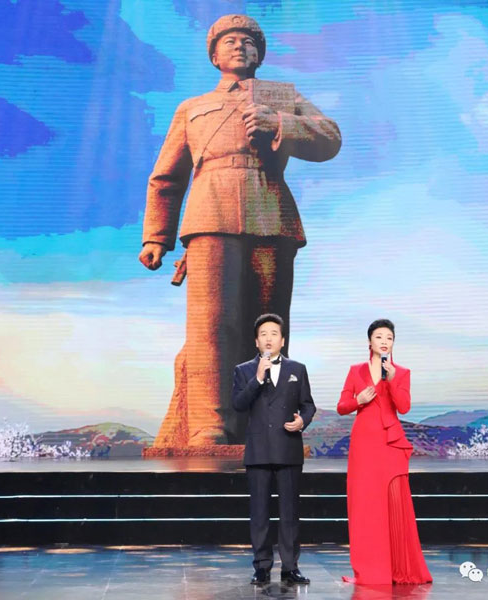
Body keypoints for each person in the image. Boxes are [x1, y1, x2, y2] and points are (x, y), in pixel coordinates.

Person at [139, 14, 341, 450]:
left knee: (269, 325)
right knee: (211, 326)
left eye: (249, 41)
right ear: (214, 56)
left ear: (259, 54)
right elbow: (166, 177)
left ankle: (267, 421)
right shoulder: (191, 108)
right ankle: (208, 426)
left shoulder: (281, 96)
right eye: (229, 41)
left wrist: (280, 124)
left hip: (270, 210)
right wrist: (157, 236)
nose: (239, 46)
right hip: (209, 213)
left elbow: (330, 137)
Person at [337, 319, 432, 585]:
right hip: (364, 444)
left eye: (389, 338)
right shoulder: (356, 371)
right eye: (379, 337)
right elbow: (342, 406)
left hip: (390, 443)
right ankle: (369, 568)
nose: (384, 342)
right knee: (365, 504)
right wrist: (358, 400)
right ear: (370, 342)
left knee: (394, 503)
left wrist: (390, 381)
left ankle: (397, 567)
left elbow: (404, 407)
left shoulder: (401, 373)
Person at [232, 313, 316, 585]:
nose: (269, 339)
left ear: (283, 340)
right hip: (258, 452)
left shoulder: (297, 369)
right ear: (256, 341)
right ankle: (261, 566)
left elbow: (308, 404)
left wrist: (302, 421)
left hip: (288, 449)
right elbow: (238, 404)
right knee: (259, 513)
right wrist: (257, 379)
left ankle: (290, 567)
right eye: (264, 334)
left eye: (274, 334)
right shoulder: (244, 370)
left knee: (289, 513)